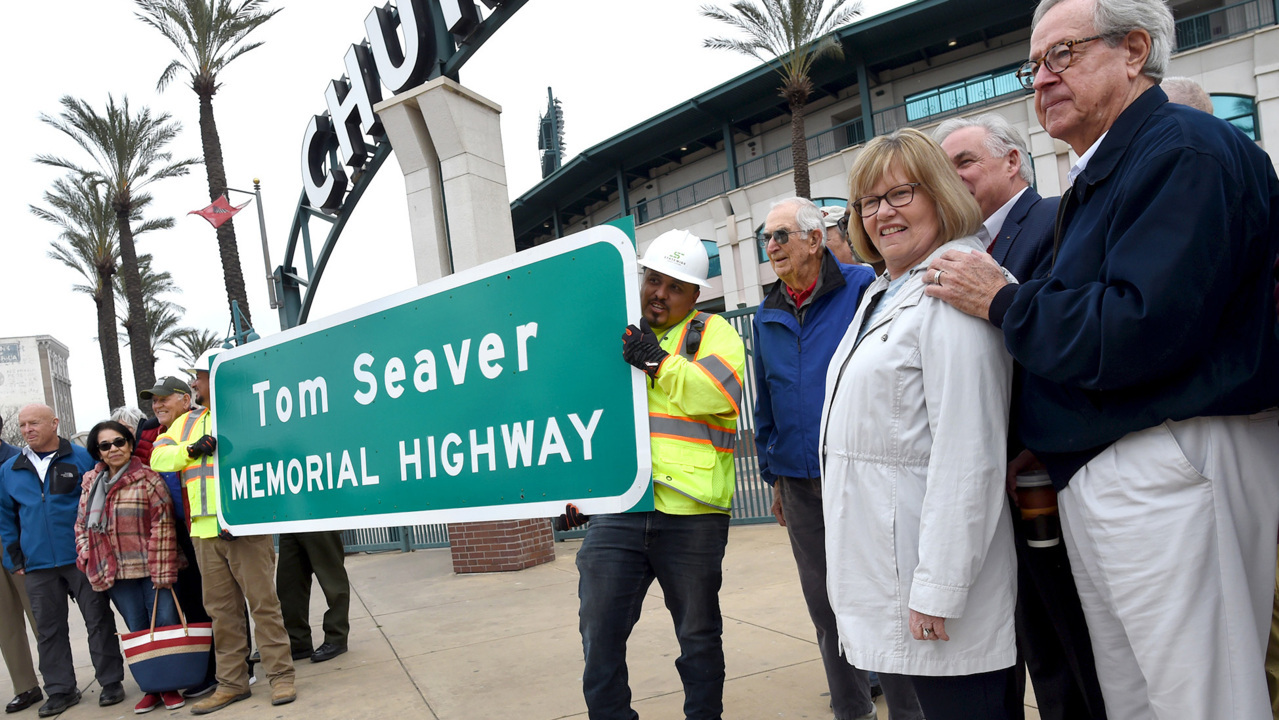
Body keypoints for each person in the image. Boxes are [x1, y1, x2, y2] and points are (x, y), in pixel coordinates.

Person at [923, 0, 1279, 716]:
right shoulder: (1116, 164)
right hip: (1117, 465)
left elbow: (1135, 329)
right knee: (1141, 701)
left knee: (1196, 699)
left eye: (1061, 55)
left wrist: (1003, 300)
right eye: (1033, 66)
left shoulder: (1181, 149)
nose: (1040, 80)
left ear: (1133, 50)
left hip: (1167, 458)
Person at [821, 128, 1019, 720]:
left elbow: (971, 452)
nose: (883, 213)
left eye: (901, 194)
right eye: (868, 202)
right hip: (890, 573)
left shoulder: (951, 286)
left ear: (938, 194)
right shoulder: (884, 291)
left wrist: (940, 587)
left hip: (933, 592)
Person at [934, 114, 1106, 720]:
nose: (952, 177)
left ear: (1013, 162)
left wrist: (1039, 442)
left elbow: (1060, 344)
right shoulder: (956, 251)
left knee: (1072, 638)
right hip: (993, 486)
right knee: (1030, 637)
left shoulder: (1056, 222)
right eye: (944, 167)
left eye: (965, 162)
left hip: (1043, 476)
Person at [752, 197, 925, 720]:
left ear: (814, 238)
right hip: (799, 484)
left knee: (880, 600)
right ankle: (852, 711)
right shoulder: (765, 314)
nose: (773, 246)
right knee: (825, 609)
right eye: (767, 238)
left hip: (859, 473)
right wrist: (773, 474)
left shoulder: (862, 290)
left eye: (782, 235)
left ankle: (908, 712)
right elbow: (767, 403)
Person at [574, 228, 745, 720]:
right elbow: (583, 417)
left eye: (675, 287)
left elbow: (719, 395)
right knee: (598, 631)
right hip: (621, 512)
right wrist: (577, 491)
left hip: (693, 514)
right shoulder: (616, 332)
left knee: (698, 636)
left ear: (696, 295)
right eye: (654, 280)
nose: (659, 294)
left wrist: (657, 361)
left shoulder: (713, 334)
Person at [151, 350, 297, 714]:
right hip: (204, 530)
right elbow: (158, 458)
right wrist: (190, 449)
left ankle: (281, 675)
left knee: (263, 604)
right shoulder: (186, 424)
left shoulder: (251, 412)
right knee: (222, 611)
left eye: (199, 377)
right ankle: (232, 683)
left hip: (244, 527)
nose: (195, 383)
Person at [0, 404, 126, 717]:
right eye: (23, 424)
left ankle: (110, 681)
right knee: (48, 630)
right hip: (37, 564)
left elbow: (102, 498)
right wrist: (13, 555)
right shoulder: (10, 469)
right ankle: (59, 690)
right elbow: (5, 515)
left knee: (98, 620)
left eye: (34, 423)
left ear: (54, 423)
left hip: (80, 557)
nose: (28, 429)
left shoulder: (82, 458)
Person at [74, 420, 185, 714]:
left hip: (151, 571)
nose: (113, 449)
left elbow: (163, 527)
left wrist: (162, 571)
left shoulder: (148, 478)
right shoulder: (91, 483)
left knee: (163, 628)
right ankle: (151, 688)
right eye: (105, 445)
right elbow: (82, 525)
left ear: (130, 443)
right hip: (116, 574)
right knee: (137, 631)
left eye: (119, 442)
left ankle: (170, 685)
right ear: (97, 451)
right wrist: (87, 554)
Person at [0, 419, 41, 715]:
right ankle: (25, 687)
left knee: (41, 616)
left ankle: (60, 681)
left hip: (19, 544)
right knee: (5, 623)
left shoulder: (17, 460)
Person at [275, 530, 351, 663]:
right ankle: (297, 642)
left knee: (332, 581)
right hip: (288, 520)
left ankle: (336, 638)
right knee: (289, 584)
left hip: (318, 517)